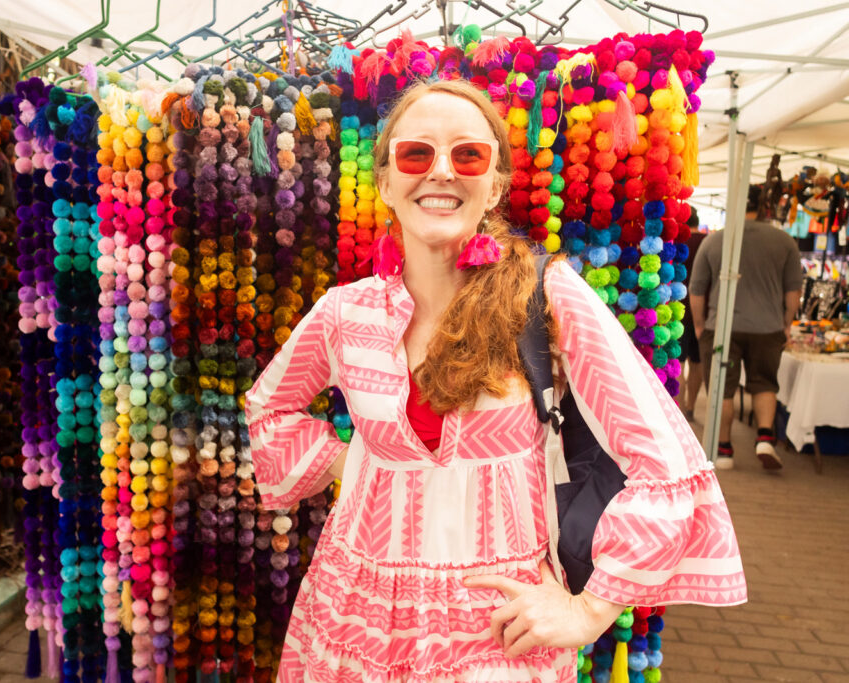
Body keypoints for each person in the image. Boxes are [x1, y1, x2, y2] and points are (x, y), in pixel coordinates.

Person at [246, 79, 745, 682]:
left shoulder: (547, 296)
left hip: (498, 629)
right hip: (353, 617)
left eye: (467, 155)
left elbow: (666, 459)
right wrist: (346, 462)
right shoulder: (344, 314)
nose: (441, 173)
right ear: (385, 181)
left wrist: (590, 611)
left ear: (495, 185)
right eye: (415, 154)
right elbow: (269, 409)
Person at [690, 185, 803, 470]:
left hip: (722, 326)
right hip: (767, 327)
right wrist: (786, 324)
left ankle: (724, 449)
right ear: (765, 208)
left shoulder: (716, 241)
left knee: (722, 389)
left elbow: (697, 290)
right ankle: (765, 436)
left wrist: (701, 326)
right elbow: (793, 292)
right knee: (765, 382)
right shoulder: (784, 241)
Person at [677, 208, 706, 419]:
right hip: (703, 313)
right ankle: (691, 407)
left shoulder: (678, 243)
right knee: (697, 363)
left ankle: (677, 408)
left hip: (678, 310)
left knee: (678, 363)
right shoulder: (709, 242)